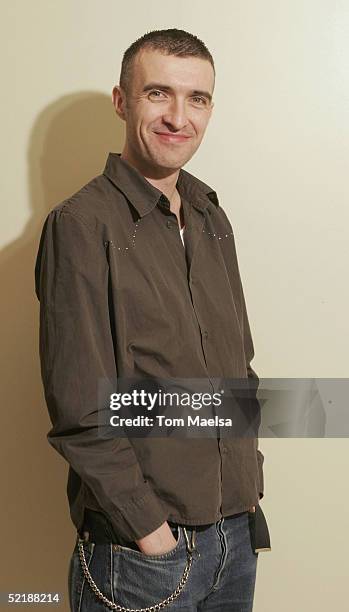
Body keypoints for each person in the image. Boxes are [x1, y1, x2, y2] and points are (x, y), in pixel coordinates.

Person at [35, 28, 270, 612]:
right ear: (123, 101)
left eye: (198, 99)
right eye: (158, 93)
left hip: (234, 537)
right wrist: (151, 534)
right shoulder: (82, 226)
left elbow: (235, 366)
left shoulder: (213, 217)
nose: (178, 117)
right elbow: (81, 407)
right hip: (142, 556)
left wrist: (248, 484)